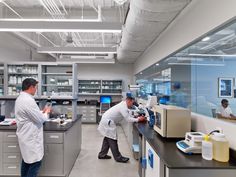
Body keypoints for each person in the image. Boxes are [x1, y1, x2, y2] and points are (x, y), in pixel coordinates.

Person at [15, 78, 51, 177]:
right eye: (36, 87)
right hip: (31, 138)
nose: (36, 90)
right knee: (35, 163)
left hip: (25, 137)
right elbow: (40, 120)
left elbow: (31, 115)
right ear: (31, 87)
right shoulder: (28, 100)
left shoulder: (21, 98)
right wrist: (46, 112)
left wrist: (41, 112)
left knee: (26, 161)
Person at [97, 94, 146, 163]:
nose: (132, 105)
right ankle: (118, 157)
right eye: (132, 103)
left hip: (107, 121)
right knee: (113, 139)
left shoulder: (123, 104)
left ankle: (102, 154)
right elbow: (128, 119)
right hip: (108, 123)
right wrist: (138, 119)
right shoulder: (123, 107)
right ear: (128, 101)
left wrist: (135, 117)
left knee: (107, 138)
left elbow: (128, 113)